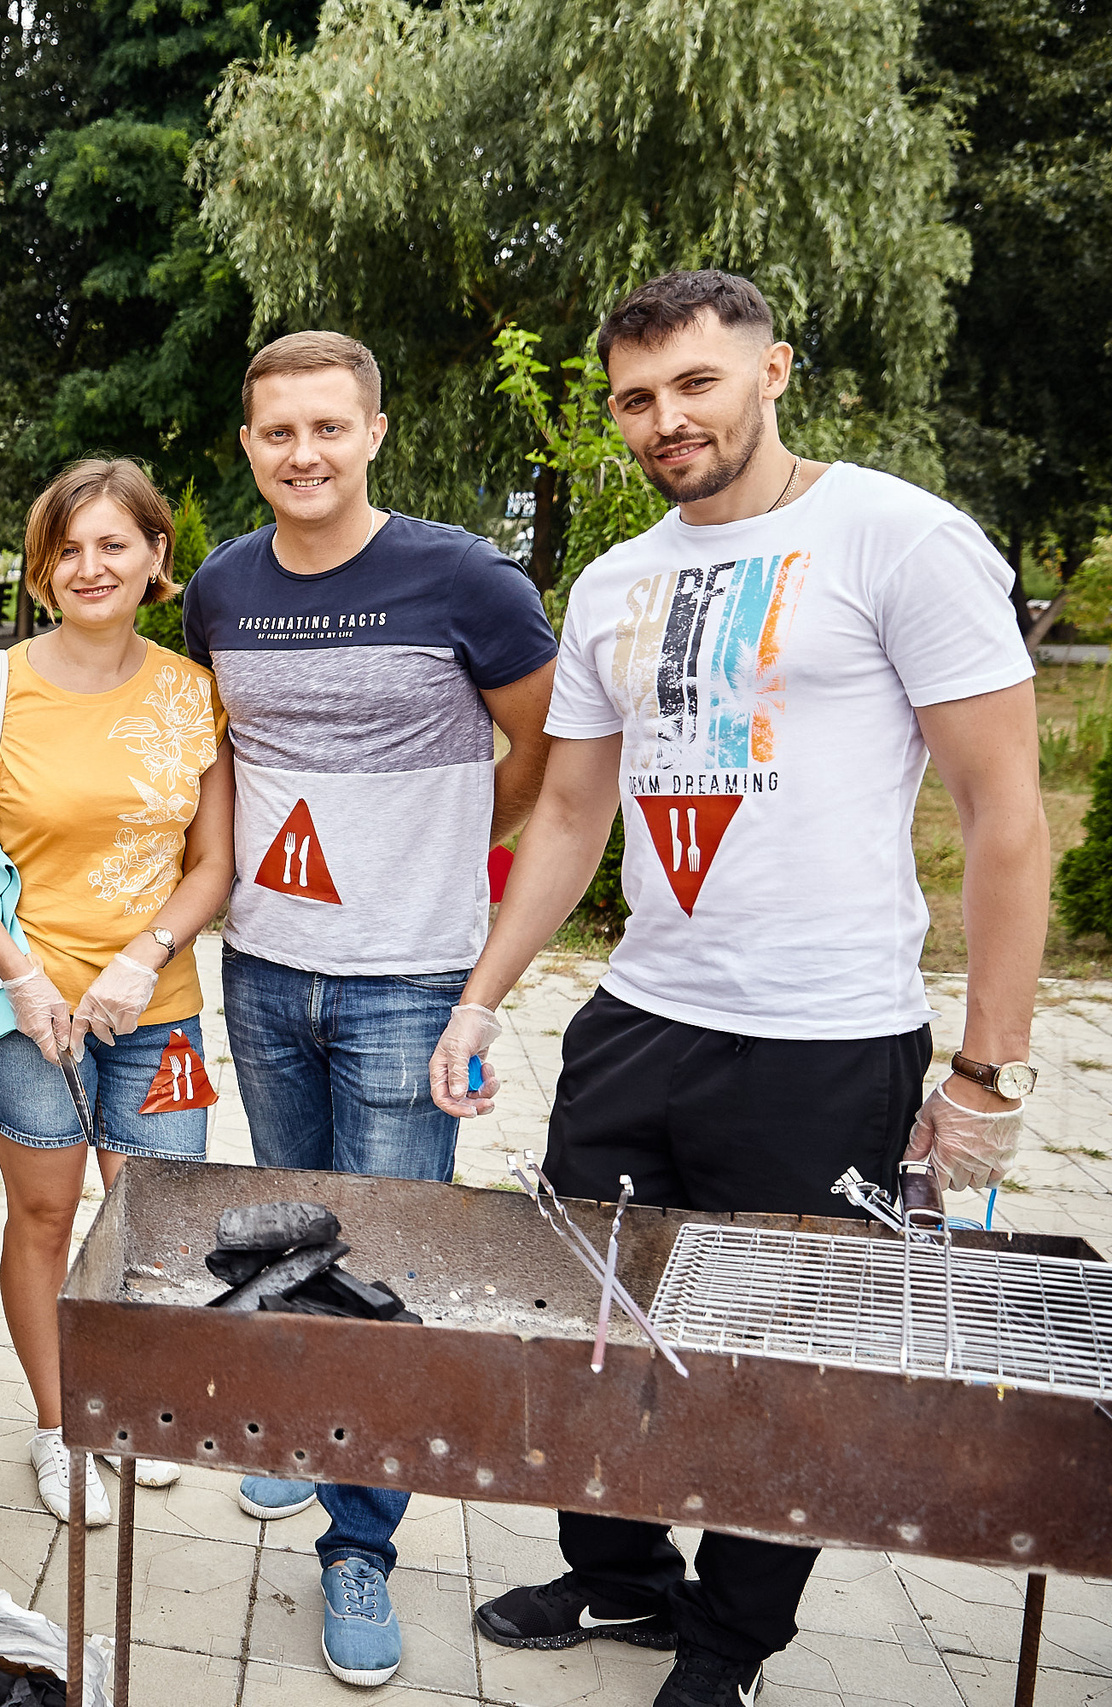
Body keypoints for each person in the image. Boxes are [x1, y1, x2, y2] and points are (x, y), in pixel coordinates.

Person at [433, 270, 1047, 1707]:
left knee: (784, 1358)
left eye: (695, 384)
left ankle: (728, 1647)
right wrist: (482, 995)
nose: (666, 420)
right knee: (597, 1322)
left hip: (825, 1037)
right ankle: (623, 1572)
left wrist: (986, 1073)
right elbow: (573, 814)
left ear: (773, 369)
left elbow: (1003, 807)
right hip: (640, 1017)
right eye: (637, 399)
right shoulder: (610, 580)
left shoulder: (898, 537)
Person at [182, 331, 559, 1686]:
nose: (305, 453)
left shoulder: (466, 577)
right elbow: (221, 754)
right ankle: (301, 1426)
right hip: (266, 963)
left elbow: (544, 749)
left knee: (388, 1259)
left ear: (375, 432)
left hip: (412, 973)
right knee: (293, 1227)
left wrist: (456, 855)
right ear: (249, 445)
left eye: (329, 428)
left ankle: (362, 1540)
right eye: (279, 431)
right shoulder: (222, 589)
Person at [0, 458, 234, 1528]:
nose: (89, 566)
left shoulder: (196, 695)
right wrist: (15, 973)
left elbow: (214, 863)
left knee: (153, 1222)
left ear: (156, 557)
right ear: (40, 567)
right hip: (25, 1011)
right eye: (67, 547)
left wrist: (146, 953)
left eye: (113, 544)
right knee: (46, 1215)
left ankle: (133, 1415)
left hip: (160, 1006)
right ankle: (60, 1431)